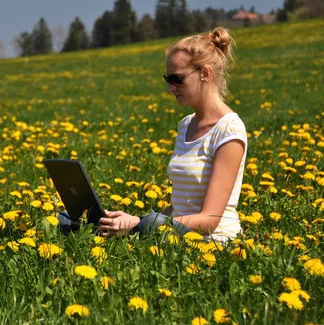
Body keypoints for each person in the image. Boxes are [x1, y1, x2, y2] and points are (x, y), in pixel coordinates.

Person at [60, 27, 247, 243]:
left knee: (145, 224)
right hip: (173, 233)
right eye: (168, 79)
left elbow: (210, 220)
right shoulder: (186, 125)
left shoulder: (229, 130)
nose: (170, 88)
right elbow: (180, 206)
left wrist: (141, 224)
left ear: (205, 73)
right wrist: (134, 220)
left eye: (177, 79)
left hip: (211, 241)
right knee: (70, 220)